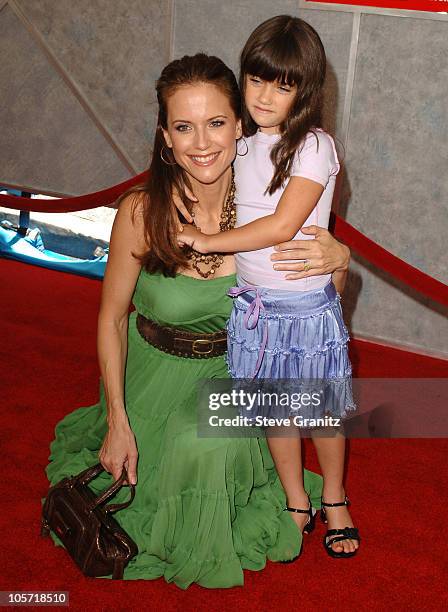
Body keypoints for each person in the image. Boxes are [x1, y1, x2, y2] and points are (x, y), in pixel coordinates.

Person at [43, 52, 350, 589]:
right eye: (184, 126)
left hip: (238, 373)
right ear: (165, 136)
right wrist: (117, 419)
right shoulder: (141, 212)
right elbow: (112, 319)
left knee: (205, 441)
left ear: (241, 126)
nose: (202, 143)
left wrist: (339, 259)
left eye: (215, 123)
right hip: (153, 378)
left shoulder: (276, 209)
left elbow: (322, 308)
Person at [178, 16, 360, 559]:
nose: (264, 95)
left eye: (283, 84)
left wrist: (207, 243)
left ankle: (334, 498)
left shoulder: (314, 147)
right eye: (257, 79)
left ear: (306, 90)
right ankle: (295, 498)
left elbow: (282, 226)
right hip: (254, 309)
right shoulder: (241, 142)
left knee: (321, 414)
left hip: (305, 307)